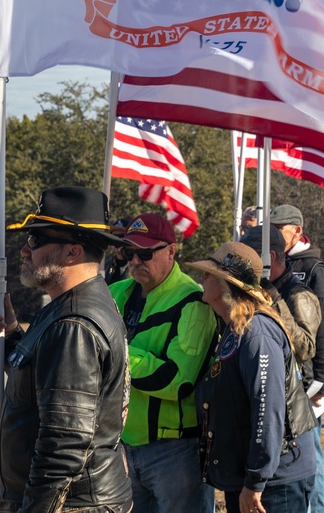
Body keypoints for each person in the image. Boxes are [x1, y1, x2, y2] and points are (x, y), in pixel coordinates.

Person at [0, 186, 133, 513]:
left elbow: (63, 448)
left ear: (72, 252)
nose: (24, 250)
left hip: (74, 505)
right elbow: (42, 385)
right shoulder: (66, 310)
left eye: (35, 241)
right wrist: (10, 335)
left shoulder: (74, 324)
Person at [187, 242, 316, 513]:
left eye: (209, 274)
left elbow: (268, 411)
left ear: (226, 283)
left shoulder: (256, 332)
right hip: (252, 477)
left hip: (274, 482)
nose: (202, 278)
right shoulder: (235, 329)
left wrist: (256, 481)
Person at [110, 213, 218, 513]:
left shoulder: (193, 301)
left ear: (171, 251)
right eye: (129, 252)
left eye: (145, 253)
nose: (135, 261)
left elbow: (174, 381)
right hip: (121, 446)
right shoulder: (116, 292)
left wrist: (114, 352)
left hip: (174, 452)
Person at [269, 205, 324, 512]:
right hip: (282, 375)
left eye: (279, 228)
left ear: (297, 230)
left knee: (311, 454)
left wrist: (321, 378)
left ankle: (315, 507)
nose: (273, 234)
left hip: (307, 379)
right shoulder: (275, 265)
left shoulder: (313, 268)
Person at [240, 223, 321, 370]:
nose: (245, 263)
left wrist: (276, 303)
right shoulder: (254, 289)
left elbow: (305, 350)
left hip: (287, 387)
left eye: (249, 256)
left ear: (269, 257)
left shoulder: (298, 295)